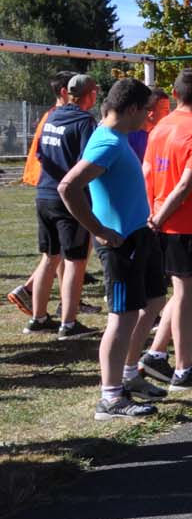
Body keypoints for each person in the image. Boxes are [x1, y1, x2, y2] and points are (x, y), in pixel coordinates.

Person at [56, 78, 168, 419]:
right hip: (120, 242)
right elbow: (68, 187)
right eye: (146, 111)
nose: (149, 117)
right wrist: (99, 230)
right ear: (131, 109)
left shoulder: (116, 137)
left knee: (154, 301)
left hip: (138, 233)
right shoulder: (107, 141)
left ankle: (130, 374)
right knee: (122, 318)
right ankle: (110, 398)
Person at [134, 68, 192, 393]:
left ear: (174, 94)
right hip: (181, 223)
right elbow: (186, 185)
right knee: (185, 297)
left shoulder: (160, 126)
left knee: (178, 292)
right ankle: (184, 370)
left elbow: (146, 171)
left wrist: (150, 212)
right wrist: (160, 216)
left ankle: (156, 354)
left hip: (157, 217)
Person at [17, 73, 100, 339]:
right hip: (69, 199)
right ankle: (69, 324)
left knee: (50, 256)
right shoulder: (85, 121)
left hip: (44, 195)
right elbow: (88, 161)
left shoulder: (52, 116)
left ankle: (39, 318)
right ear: (90, 94)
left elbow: (41, 154)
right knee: (75, 260)